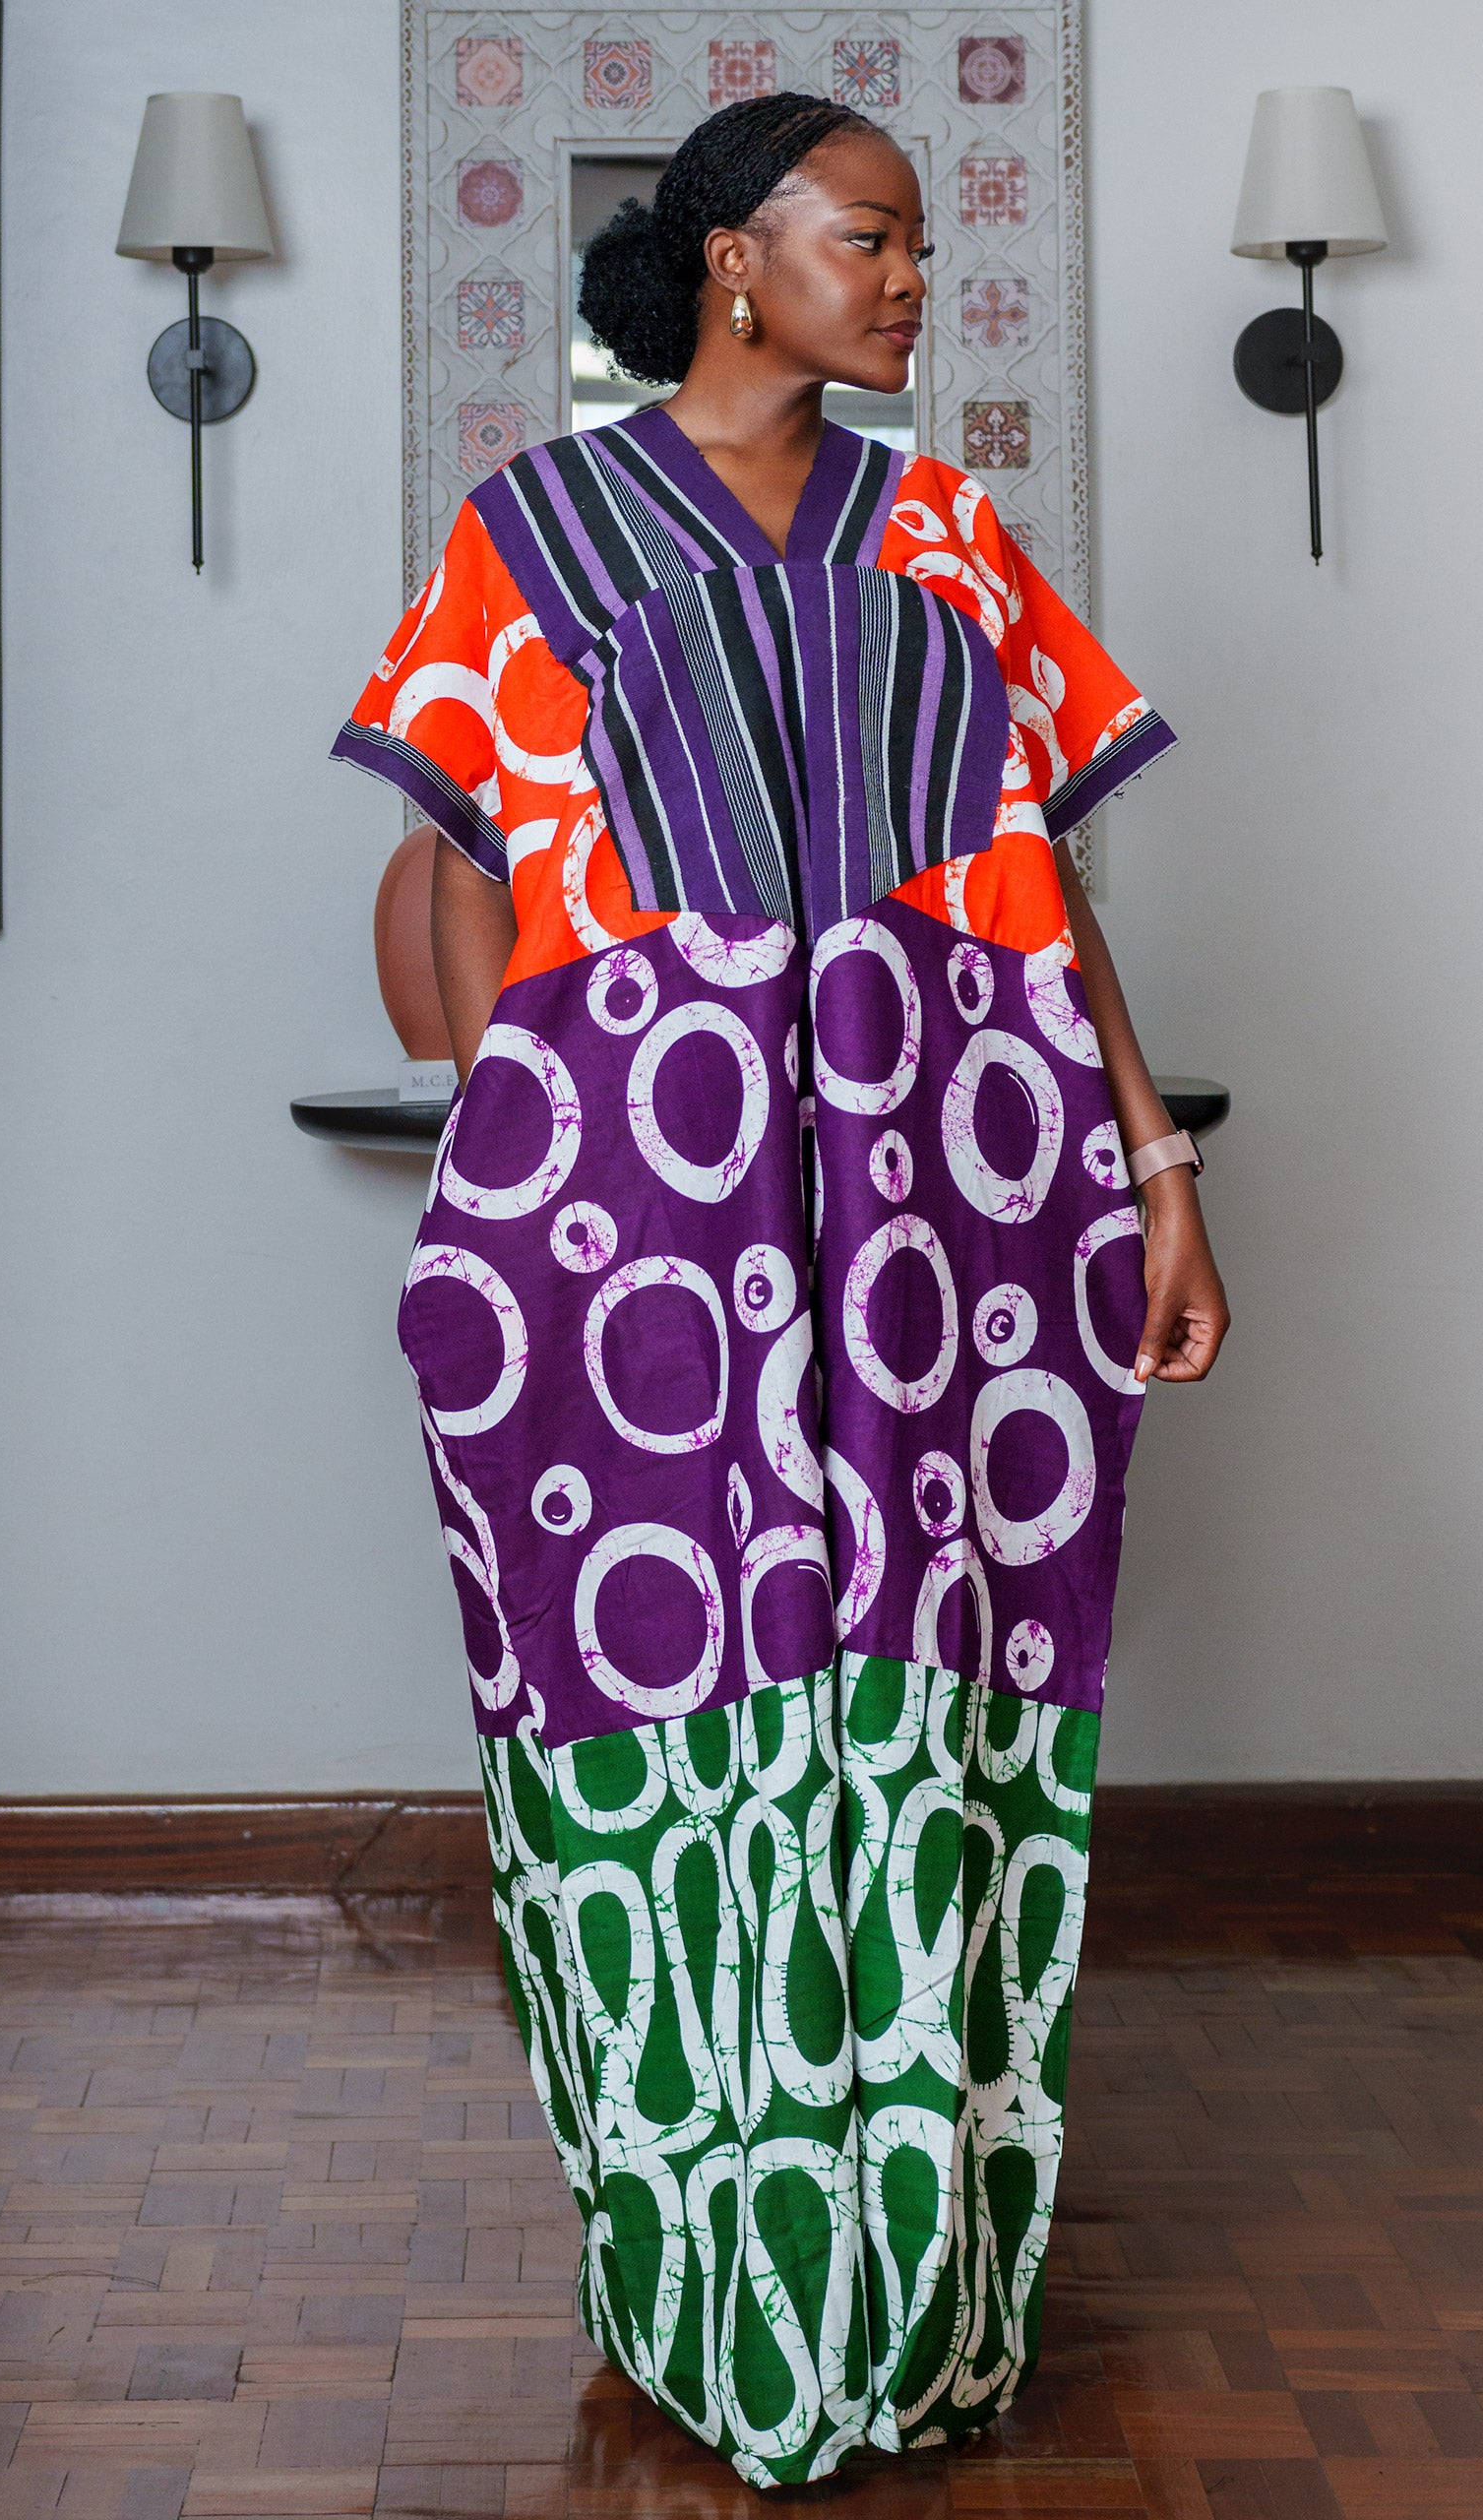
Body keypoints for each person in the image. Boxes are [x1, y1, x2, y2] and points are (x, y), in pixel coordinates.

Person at [331, 92, 1228, 2489]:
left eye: (922, 243)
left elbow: (1040, 883)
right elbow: (456, 867)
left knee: (930, 1704)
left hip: (949, 1216)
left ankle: (914, 2285)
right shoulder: (536, 531)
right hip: (643, 1233)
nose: (916, 276)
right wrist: (513, 1162)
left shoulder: (944, 533)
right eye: (875, 235)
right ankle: (705, 2270)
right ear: (736, 256)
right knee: (665, 1694)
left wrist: (1153, 1168)